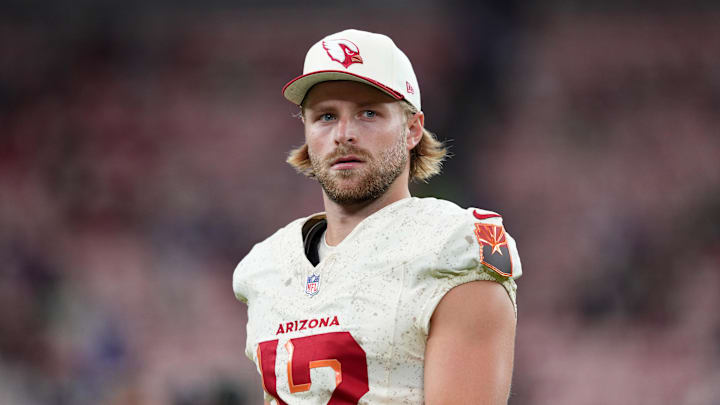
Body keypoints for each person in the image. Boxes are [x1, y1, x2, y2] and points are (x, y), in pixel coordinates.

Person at [233, 29, 522, 405]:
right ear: (305, 130)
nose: (344, 134)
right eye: (325, 116)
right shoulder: (266, 268)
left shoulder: (453, 245)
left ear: (412, 130)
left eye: (368, 113)